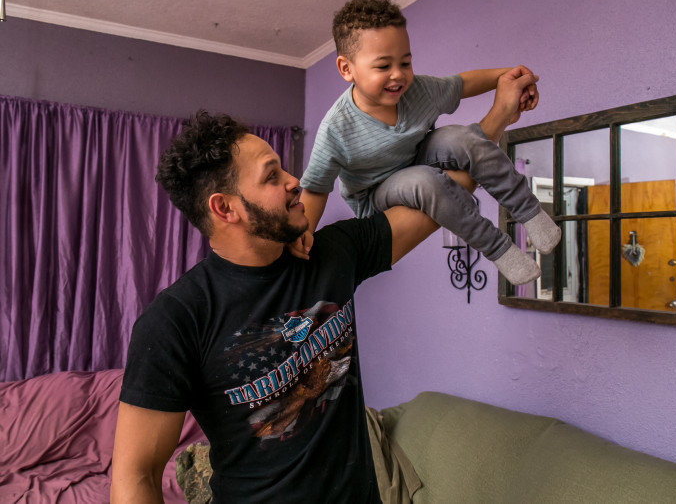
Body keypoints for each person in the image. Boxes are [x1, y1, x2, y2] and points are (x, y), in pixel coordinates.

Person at [110, 107, 498, 502]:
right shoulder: (175, 320)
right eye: (272, 176)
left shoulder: (333, 254)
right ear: (225, 208)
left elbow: (444, 194)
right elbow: (135, 476)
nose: (295, 182)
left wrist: (499, 113)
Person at [294, 0, 561, 286]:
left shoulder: (419, 90)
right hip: (376, 193)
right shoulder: (337, 127)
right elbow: (316, 189)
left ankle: (529, 210)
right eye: (383, 66)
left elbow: (462, 83)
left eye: (405, 62)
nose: (398, 74)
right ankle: (499, 249)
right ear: (347, 69)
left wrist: (506, 76)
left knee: (463, 137)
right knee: (426, 180)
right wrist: (303, 231)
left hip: (418, 156)